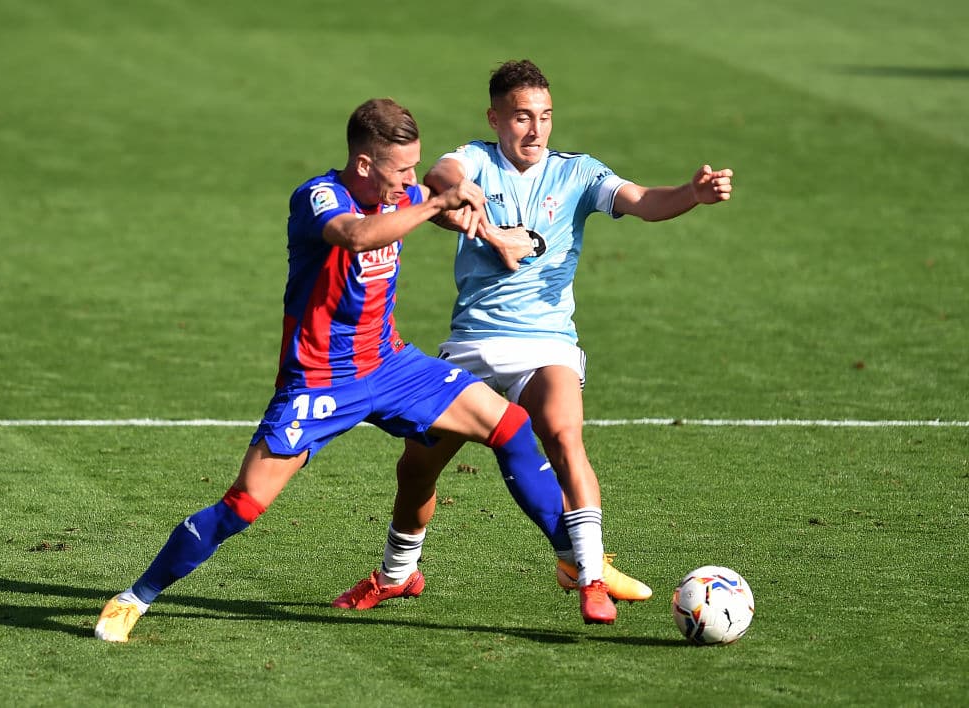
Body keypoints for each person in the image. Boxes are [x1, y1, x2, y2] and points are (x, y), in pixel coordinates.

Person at [94, 97, 580, 642]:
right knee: (243, 505)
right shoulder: (319, 197)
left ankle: (576, 561)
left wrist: (491, 234)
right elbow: (356, 235)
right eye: (401, 170)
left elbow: (442, 208)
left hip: (389, 363)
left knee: (509, 426)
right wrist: (434, 201)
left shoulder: (401, 193)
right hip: (320, 381)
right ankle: (134, 597)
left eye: (416, 167)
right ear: (366, 165)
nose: (411, 179)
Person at [337, 60, 734, 624]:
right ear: (495, 117)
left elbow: (644, 200)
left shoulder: (578, 173)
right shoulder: (473, 159)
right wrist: (465, 197)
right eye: (522, 116)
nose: (535, 129)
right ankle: (399, 575)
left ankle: (589, 576)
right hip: (472, 344)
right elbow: (440, 180)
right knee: (416, 470)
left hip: (546, 342)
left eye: (545, 117)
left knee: (564, 433)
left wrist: (691, 194)